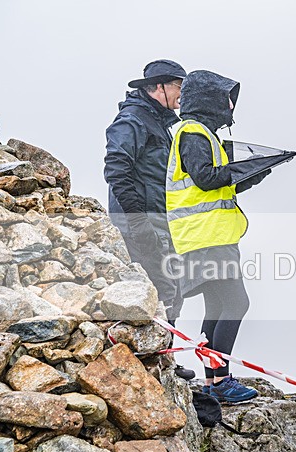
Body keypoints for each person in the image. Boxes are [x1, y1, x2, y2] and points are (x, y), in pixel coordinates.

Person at [166, 70, 270, 404]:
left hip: (204, 236)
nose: (230, 105)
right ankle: (222, 379)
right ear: (210, 98)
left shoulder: (199, 132)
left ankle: (212, 383)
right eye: (226, 97)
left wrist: (253, 173)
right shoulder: (194, 132)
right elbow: (207, 178)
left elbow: (214, 184)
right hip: (206, 237)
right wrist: (243, 169)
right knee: (238, 302)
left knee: (218, 304)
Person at [104, 59, 193, 380]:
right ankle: (159, 359)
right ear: (159, 87)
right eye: (179, 87)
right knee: (163, 288)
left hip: (162, 222)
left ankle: (164, 356)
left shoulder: (159, 123)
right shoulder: (132, 121)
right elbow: (116, 169)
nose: (183, 94)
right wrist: (138, 220)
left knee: (173, 288)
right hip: (139, 223)